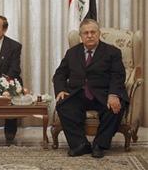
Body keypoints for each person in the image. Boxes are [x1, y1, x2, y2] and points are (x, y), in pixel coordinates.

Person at [53, 19, 129, 158]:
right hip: (78, 93)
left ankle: (100, 144)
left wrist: (113, 94)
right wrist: (60, 90)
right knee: (63, 105)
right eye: (86, 33)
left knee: (115, 108)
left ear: (99, 33)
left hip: (104, 93)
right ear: (81, 36)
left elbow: (118, 75)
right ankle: (80, 144)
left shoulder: (112, 52)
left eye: (93, 32)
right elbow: (59, 74)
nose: (89, 35)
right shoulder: (72, 53)